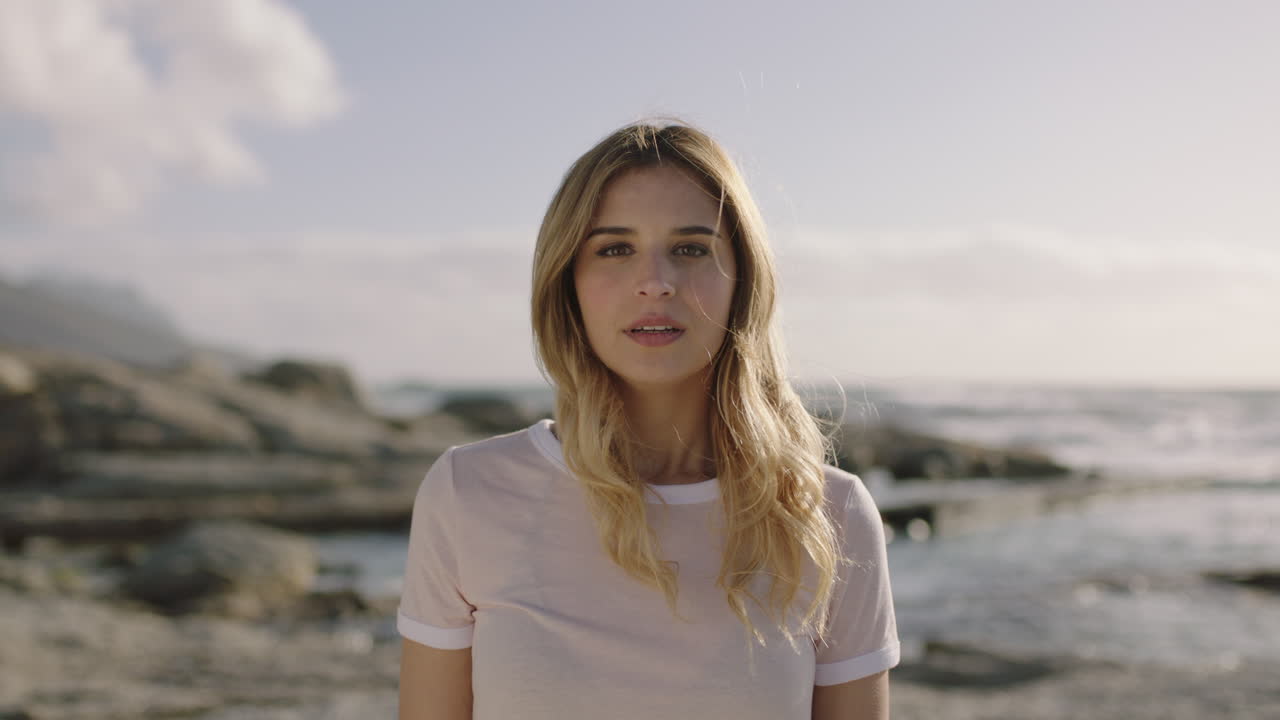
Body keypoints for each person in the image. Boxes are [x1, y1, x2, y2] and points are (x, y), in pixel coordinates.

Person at [398, 118, 899, 720]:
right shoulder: (468, 492)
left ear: (742, 278)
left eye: (691, 248)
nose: (655, 283)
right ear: (568, 283)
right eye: (615, 249)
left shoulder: (827, 516)